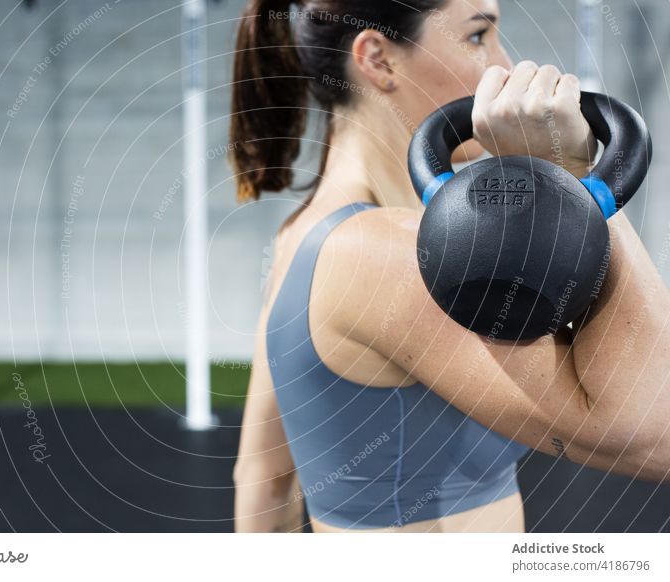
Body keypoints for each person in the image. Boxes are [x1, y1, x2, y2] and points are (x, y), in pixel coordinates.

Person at [229, 0, 670, 533]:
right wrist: (571, 174)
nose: (503, 66)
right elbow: (655, 435)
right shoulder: (383, 255)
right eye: (478, 36)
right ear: (378, 60)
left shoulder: (308, 232)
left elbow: (263, 477)